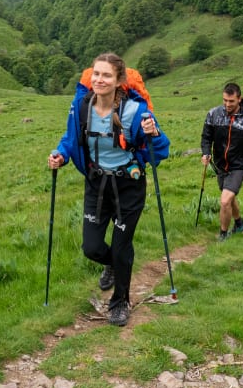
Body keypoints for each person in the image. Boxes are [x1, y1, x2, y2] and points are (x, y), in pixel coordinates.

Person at [48, 53, 170, 326]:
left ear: (118, 81)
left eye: (106, 75)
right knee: (91, 247)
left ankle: (120, 303)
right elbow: (70, 140)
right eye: (96, 74)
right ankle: (113, 264)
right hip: (96, 184)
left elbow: (161, 150)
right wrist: (60, 155)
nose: (99, 80)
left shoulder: (135, 112)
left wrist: (154, 134)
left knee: (121, 245)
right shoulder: (81, 106)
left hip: (128, 185)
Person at [201, 82, 243, 241]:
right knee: (230, 197)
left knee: (224, 201)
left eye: (231, 101)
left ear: (239, 99)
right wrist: (205, 152)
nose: (227, 104)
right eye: (225, 100)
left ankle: (223, 235)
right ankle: (239, 224)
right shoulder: (213, 114)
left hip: (239, 165)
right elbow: (206, 137)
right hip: (220, 164)